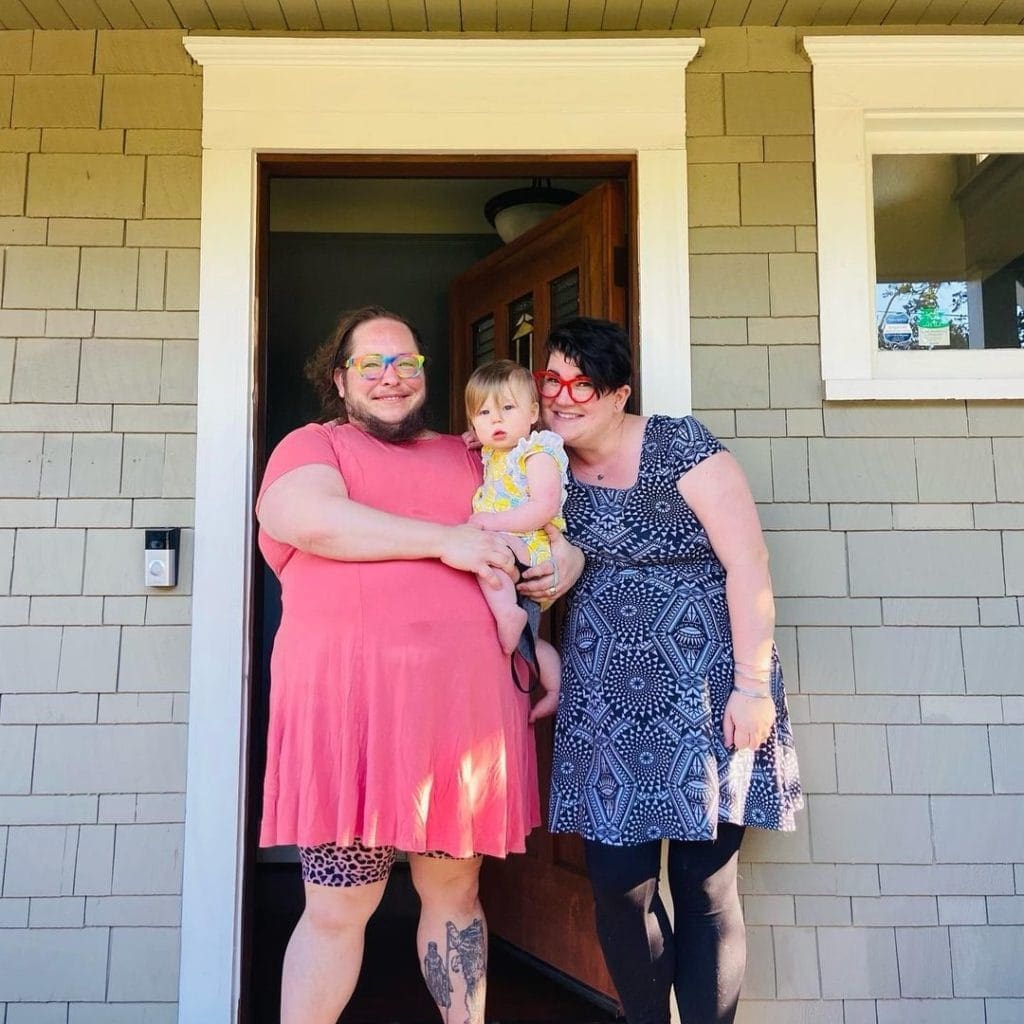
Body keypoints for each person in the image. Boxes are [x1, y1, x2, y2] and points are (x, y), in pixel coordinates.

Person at [256, 306, 544, 1024]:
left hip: (459, 725)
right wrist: (446, 540)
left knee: (455, 896)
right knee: (337, 907)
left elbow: (547, 531)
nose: (391, 378)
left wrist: (554, 582)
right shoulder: (313, 446)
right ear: (339, 379)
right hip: (346, 727)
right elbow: (306, 518)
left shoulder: (473, 452)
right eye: (371, 364)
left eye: (406, 363)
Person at [518, 317, 803, 1024]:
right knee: (619, 884)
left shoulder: (681, 446)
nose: (563, 395)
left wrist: (752, 683)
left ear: (618, 393)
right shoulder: (538, 467)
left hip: (707, 688)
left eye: (583, 382)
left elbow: (748, 565)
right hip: (605, 701)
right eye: (551, 380)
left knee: (706, 886)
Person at [465, 359, 568, 721]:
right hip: (513, 547)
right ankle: (554, 688)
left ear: (533, 413)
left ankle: (506, 610)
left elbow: (544, 507)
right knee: (532, 641)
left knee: (485, 554)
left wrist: (491, 522)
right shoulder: (495, 453)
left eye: (508, 408)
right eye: (483, 412)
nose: (496, 420)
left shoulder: (536, 453)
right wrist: (476, 440)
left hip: (531, 544)